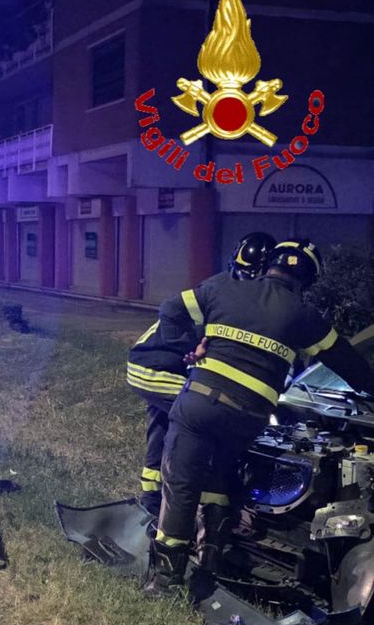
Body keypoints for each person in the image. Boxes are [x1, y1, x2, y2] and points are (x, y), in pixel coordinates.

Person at [145, 238, 374, 595]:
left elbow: (171, 309)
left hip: (198, 408)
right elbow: (349, 363)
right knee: (219, 482)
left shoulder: (222, 287)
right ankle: (211, 560)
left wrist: (189, 347)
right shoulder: (303, 315)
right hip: (248, 419)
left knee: (182, 485)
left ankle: (164, 581)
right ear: (307, 280)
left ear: (269, 264)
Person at [127, 232, 277, 516]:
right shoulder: (222, 292)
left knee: (163, 425)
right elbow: (171, 312)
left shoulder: (228, 289)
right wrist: (190, 347)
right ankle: (209, 503)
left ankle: (151, 497)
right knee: (208, 418)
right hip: (157, 368)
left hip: (149, 366)